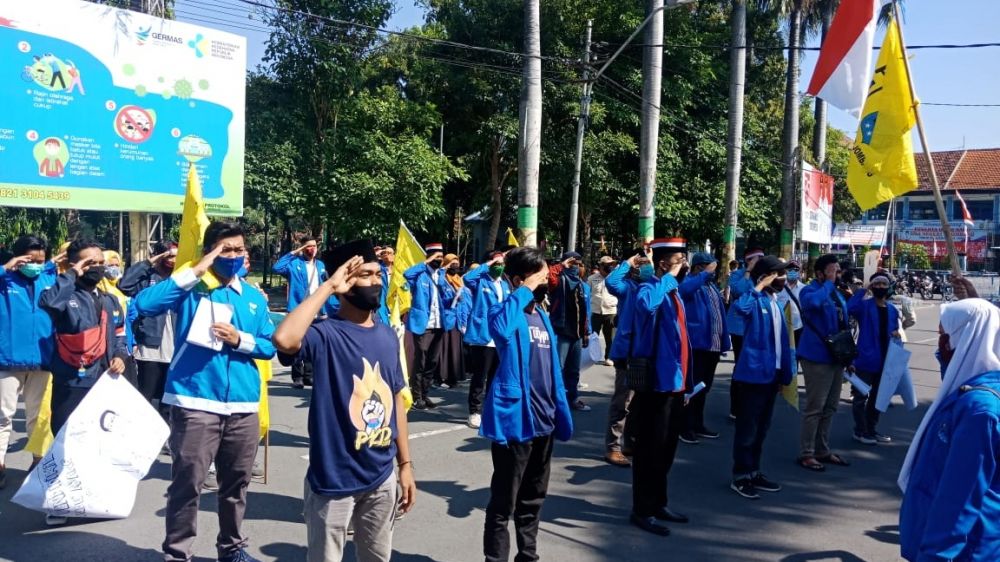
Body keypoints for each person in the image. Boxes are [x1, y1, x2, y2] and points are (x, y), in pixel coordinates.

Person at [134, 222, 276, 562]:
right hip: (194, 401)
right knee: (188, 484)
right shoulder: (190, 289)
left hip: (243, 404)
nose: (234, 255)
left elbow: (270, 345)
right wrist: (197, 269)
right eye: (225, 249)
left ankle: (232, 548)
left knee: (236, 484)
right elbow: (144, 304)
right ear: (210, 252)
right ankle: (177, 553)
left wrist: (240, 340)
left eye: (239, 249)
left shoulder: (252, 297)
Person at [273, 240, 415, 562]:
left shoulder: (386, 335)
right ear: (344, 283)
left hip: (381, 477)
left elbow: (396, 401)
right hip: (333, 481)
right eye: (366, 275)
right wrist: (328, 287)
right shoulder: (325, 334)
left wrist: (405, 465)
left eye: (378, 274)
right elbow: (284, 339)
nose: (376, 281)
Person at [481, 246, 573, 562]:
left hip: (545, 420)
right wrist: (524, 290)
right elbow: (502, 330)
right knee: (503, 503)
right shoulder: (504, 311)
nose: (547, 282)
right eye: (541, 277)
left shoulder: (541, 315)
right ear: (520, 280)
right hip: (517, 423)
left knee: (533, 498)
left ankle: (528, 556)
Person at [899, 298, 1000, 562]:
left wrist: (934, 556)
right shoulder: (970, 388)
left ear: (964, 340)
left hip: (964, 550)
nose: (941, 344)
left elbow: (959, 500)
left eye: (944, 335)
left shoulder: (980, 410)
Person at [39, 239, 128, 525]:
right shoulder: (63, 294)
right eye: (90, 263)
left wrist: (120, 356)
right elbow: (48, 303)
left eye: (101, 262)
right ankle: (58, 502)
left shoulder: (109, 300)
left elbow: (119, 335)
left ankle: (92, 498)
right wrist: (71, 273)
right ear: (75, 264)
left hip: (104, 382)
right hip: (71, 382)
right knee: (65, 442)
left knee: (98, 443)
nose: (98, 267)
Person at [628, 238, 690, 536]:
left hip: (676, 383)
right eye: (679, 260)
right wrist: (666, 277)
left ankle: (658, 502)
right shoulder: (650, 287)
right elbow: (645, 305)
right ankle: (642, 510)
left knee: (666, 449)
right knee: (649, 450)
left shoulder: (673, 291)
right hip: (656, 383)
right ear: (664, 263)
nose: (684, 265)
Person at [728, 256, 795, 500]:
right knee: (748, 429)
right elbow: (739, 308)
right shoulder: (755, 299)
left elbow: (782, 343)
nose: (784, 278)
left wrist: (784, 374)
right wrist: (757, 286)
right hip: (753, 375)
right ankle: (741, 476)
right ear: (766, 277)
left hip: (772, 375)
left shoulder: (775, 302)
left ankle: (754, 471)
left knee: (762, 429)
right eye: (779, 274)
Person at [0, 235, 57, 489]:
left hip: (43, 359)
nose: (35, 265)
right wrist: (6, 267)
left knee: (39, 416)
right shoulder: (5, 280)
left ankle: (38, 461)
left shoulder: (49, 279)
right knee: (3, 416)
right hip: (7, 360)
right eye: (29, 259)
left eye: (40, 260)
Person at [797, 254, 851, 472]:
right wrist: (828, 283)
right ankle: (807, 453)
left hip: (836, 357)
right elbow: (813, 303)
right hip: (816, 356)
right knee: (815, 408)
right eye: (832, 270)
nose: (837, 274)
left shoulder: (837, 292)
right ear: (819, 273)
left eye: (837, 270)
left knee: (830, 407)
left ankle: (822, 449)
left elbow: (843, 324)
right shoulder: (809, 291)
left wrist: (848, 357)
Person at [119, 240, 178, 415]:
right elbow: (124, 285)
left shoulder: (180, 278)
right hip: (150, 344)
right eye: (169, 256)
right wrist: (148, 262)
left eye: (176, 256)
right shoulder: (148, 277)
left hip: (175, 344)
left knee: (169, 398)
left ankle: (167, 430)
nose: (173, 260)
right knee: (146, 393)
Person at [678, 252, 730, 444]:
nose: (713, 271)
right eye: (710, 267)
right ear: (699, 267)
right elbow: (684, 291)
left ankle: (697, 424)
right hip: (697, 346)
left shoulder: (711, 287)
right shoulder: (689, 282)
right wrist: (703, 275)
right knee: (692, 389)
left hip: (712, 346)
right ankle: (685, 426)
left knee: (704, 388)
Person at [602, 251, 647, 467]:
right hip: (627, 352)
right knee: (623, 402)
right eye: (642, 263)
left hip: (646, 352)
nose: (645, 266)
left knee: (638, 403)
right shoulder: (628, 287)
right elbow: (611, 282)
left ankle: (629, 442)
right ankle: (613, 447)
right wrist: (627, 264)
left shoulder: (652, 287)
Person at [847, 273, 901, 445]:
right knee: (860, 397)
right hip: (865, 358)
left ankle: (871, 429)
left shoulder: (892, 310)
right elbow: (849, 308)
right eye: (876, 284)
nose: (880, 287)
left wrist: (896, 334)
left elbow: (895, 330)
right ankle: (860, 431)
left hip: (886, 360)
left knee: (879, 397)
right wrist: (864, 289)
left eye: (883, 284)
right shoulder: (864, 306)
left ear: (889, 288)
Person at [404, 242, 455, 410]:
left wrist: (454, 297)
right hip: (423, 324)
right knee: (421, 360)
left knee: (432, 361)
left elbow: (446, 298)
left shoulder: (441, 276)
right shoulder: (420, 274)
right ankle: (416, 396)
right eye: (437, 256)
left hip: (439, 323)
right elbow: (407, 274)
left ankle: (425, 395)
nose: (439, 259)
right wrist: (425, 262)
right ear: (429, 256)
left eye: (441, 256)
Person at [463, 251, 510, 429]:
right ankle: (474, 411)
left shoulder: (504, 284)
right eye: (497, 264)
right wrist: (489, 263)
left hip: (499, 337)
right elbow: (467, 278)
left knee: (495, 377)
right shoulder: (480, 281)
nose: (499, 266)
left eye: (502, 264)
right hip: (482, 336)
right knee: (479, 376)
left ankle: (490, 409)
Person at [274, 236, 327, 389]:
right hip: (298, 309)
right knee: (296, 342)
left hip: (317, 310)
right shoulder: (294, 264)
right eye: (308, 246)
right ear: (303, 248)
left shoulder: (320, 265)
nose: (312, 249)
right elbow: (277, 267)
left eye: (314, 246)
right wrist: (295, 252)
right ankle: (297, 376)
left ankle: (309, 375)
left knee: (312, 343)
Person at [547, 251, 592, 412]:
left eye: (579, 264)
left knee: (573, 370)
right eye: (573, 264)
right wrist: (561, 266)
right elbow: (549, 276)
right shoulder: (559, 282)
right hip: (562, 332)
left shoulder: (583, 285)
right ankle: (554, 401)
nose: (577, 267)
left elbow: (586, 311)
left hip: (577, 334)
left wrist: (586, 332)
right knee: (558, 368)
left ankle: (572, 399)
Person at [725, 248, 763, 420]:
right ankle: (736, 407)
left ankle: (752, 405)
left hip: (758, 326)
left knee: (755, 366)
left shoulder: (762, 275)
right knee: (741, 366)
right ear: (748, 260)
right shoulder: (737, 275)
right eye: (756, 259)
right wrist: (748, 271)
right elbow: (739, 291)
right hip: (740, 329)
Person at [98, 249, 138, 388]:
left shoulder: (123, 290)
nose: (114, 268)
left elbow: (130, 320)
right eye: (110, 265)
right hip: (103, 350)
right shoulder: (98, 291)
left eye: (117, 265)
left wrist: (133, 342)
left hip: (124, 346)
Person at [439, 254, 468, 388]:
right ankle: (442, 377)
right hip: (446, 318)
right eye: (452, 264)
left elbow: (464, 302)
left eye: (457, 264)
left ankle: (454, 376)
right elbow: (440, 295)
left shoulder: (459, 280)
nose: (455, 267)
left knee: (455, 348)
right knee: (444, 348)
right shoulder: (443, 279)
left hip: (458, 319)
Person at [587, 256, 618, 367]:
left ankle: (609, 357)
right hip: (596, 311)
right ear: (600, 266)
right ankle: (593, 356)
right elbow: (587, 294)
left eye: (611, 264)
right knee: (594, 336)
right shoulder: (592, 278)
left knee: (610, 337)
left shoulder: (615, 278)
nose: (609, 267)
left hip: (610, 311)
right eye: (606, 265)